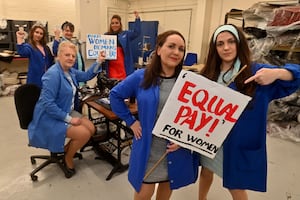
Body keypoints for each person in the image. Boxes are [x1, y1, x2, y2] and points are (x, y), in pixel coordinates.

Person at [198, 24, 300, 200]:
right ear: (215, 48)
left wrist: (278, 74)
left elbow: (297, 75)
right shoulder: (208, 74)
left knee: (235, 185)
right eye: (220, 44)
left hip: (236, 143)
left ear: (239, 44)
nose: (226, 47)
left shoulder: (256, 73)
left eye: (231, 42)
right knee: (206, 170)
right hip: (210, 138)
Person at [110, 30, 199, 200]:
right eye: (171, 46)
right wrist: (131, 121)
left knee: (166, 189)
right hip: (148, 149)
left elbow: (195, 117)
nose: (176, 52)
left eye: (181, 49)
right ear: (158, 49)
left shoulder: (188, 81)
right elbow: (115, 95)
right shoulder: (141, 77)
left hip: (174, 150)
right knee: (144, 193)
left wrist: (185, 139)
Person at [28, 41, 105, 177]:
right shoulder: (53, 74)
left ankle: (65, 151)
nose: (70, 58)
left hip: (64, 110)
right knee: (84, 134)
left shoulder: (69, 71)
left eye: (73, 56)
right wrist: (69, 119)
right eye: (67, 55)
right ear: (59, 56)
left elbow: (86, 75)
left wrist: (98, 61)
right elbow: (48, 104)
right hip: (49, 116)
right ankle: (68, 157)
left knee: (91, 128)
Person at [103, 11, 141, 80]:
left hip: (123, 67)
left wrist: (137, 18)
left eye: (117, 23)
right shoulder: (106, 36)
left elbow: (137, 32)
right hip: (111, 67)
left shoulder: (126, 34)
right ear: (110, 25)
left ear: (120, 24)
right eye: (112, 23)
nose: (114, 25)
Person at [16, 22, 54, 88]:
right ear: (32, 33)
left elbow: (51, 61)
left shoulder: (46, 47)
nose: (38, 35)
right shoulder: (29, 46)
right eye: (37, 32)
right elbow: (22, 52)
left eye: (41, 33)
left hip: (46, 78)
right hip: (34, 79)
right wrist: (19, 38)